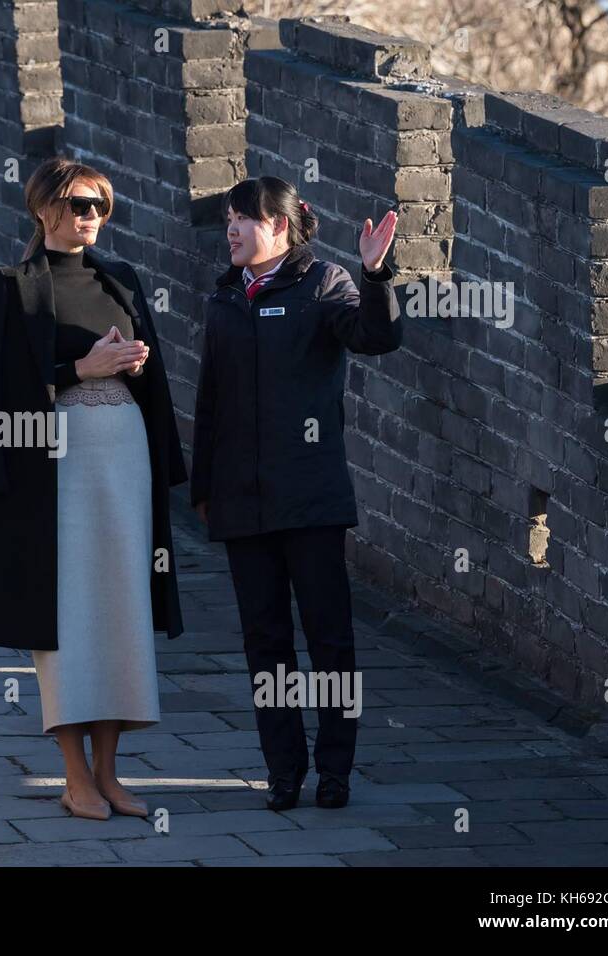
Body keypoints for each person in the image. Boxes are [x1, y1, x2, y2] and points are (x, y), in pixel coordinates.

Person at [0, 157, 187, 820]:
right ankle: (73, 777)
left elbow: (153, 384)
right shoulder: (11, 286)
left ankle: (109, 773)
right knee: (64, 616)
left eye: (99, 206)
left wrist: (134, 365)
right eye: (79, 205)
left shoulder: (122, 279)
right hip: (51, 464)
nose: (90, 216)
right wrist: (75, 369)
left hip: (123, 453)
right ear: (44, 209)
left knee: (121, 608)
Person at [191, 175, 401, 812]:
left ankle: (335, 770)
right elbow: (211, 404)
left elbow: (375, 337)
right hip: (243, 501)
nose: (231, 229)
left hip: (309, 499)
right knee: (266, 644)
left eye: (244, 219)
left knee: (329, 638)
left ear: (279, 225)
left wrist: (376, 276)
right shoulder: (227, 297)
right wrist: (203, 487)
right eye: (228, 218)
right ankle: (284, 770)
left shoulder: (323, 283)